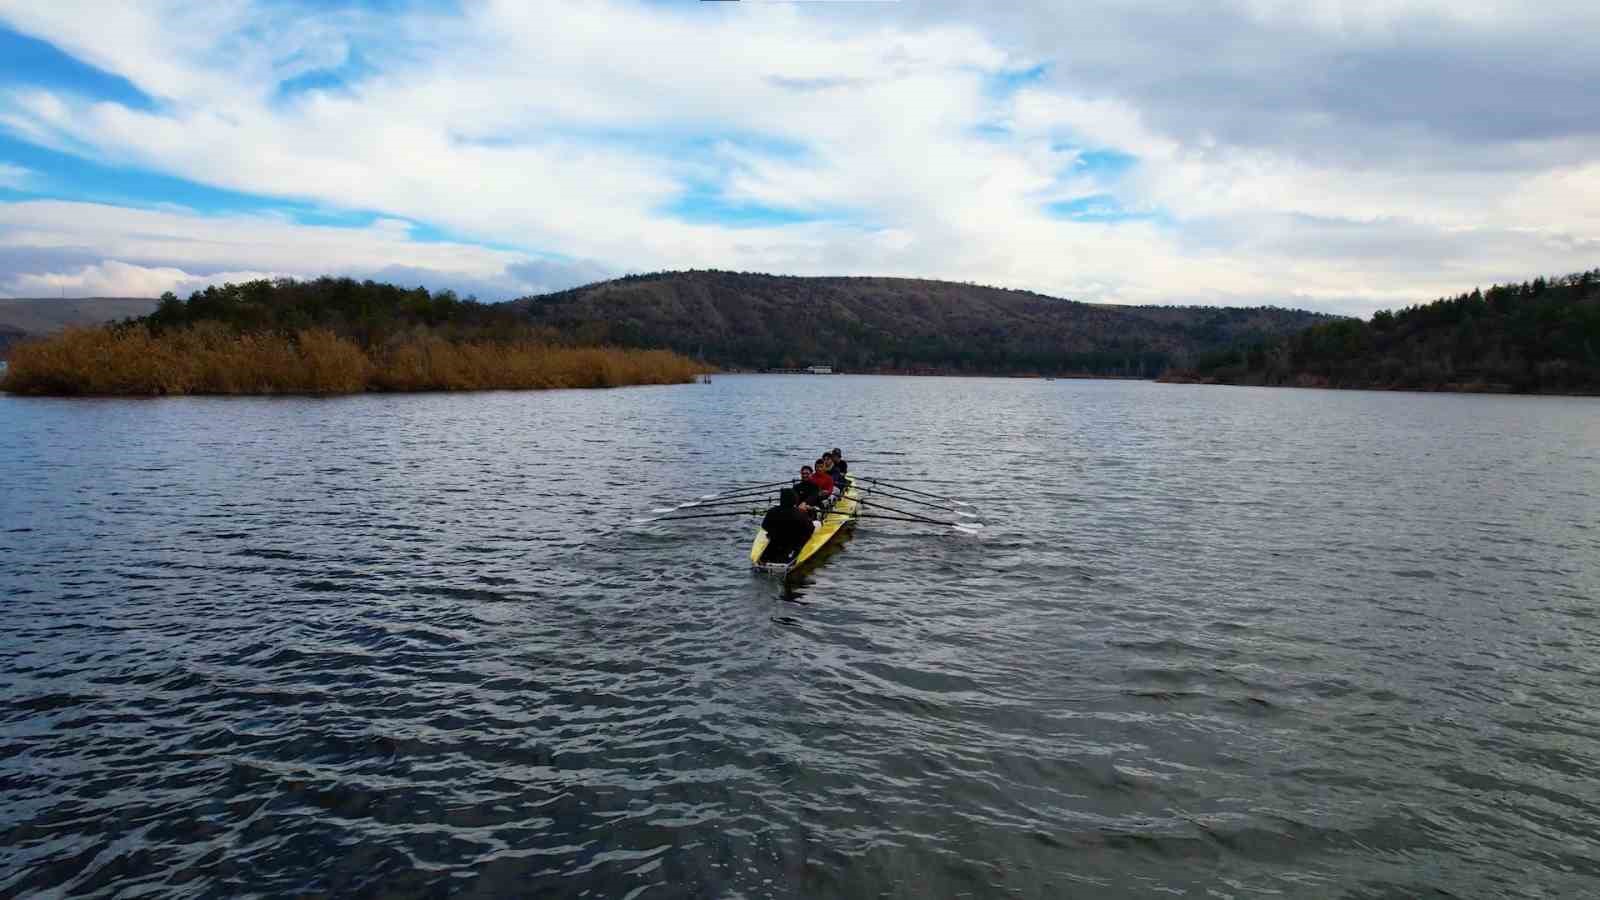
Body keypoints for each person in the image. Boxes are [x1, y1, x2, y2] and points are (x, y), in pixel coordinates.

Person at [760, 488, 815, 563]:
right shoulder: (801, 514)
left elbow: (764, 526)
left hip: (776, 541)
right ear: (795, 500)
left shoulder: (771, 511)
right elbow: (811, 529)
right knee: (817, 524)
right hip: (794, 544)